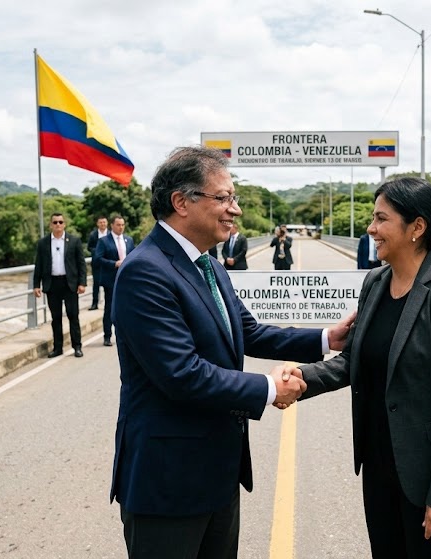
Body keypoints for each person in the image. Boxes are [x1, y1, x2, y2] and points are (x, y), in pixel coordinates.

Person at [109, 145, 353, 559]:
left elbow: (247, 332)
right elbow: (182, 374)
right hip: (168, 482)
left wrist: (327, 338)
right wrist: (269, 388)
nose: (235, 210)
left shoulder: (209, 264)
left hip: (217, 475)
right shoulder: (145, 271)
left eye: (233, 198)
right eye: (223, 198)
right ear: (181, 202)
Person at [285, 177, 431, 558]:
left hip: (429, 478)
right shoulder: (376, 281)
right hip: (379, 467)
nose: (370, 228)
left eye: (381, 219)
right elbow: (353, 360)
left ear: (417, 228)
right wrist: (301, 378)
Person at [32, 213, 87, 358]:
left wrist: (82, 283)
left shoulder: (74, 241)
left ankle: (77, 346)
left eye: (60, 222)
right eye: (55, 222)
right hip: (52, 284)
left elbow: (81, 263)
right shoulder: (43, 243)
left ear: (64, 224)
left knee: (73, 316)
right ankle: (58, 348)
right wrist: (36, 285)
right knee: (56, 318)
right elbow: (39, 265)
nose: (58, 225)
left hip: (70, 284)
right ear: (50, 225)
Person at [93, 215, 135, 346]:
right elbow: (98, 258)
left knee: (127, 308)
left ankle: (126, 335)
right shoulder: (104, 241)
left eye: (122, 225)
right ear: (112, 225)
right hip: (111, 279)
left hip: (127, 280)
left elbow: (134, 256)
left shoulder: (129, 240)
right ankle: (107, 335)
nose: (121, 227)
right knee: (110, 308)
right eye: (118, 225)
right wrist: (114, 263)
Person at [86, 216, 109, 310]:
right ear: (97, 224)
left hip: (108, 263)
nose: (102, 224)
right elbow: (89, 247)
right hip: (97, 263)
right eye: (101, 222)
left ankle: (108, 303)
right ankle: (95, 303)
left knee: (109, 285)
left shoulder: (111, 234)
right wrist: (98, 251)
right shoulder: (93, 235)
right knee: (96, 284)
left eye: (104, 222)